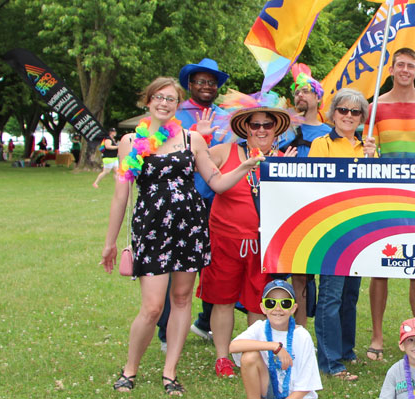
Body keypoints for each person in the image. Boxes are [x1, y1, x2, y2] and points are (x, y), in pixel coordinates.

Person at [100, 77, 262, 395]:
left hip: (189, 228)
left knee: (182, 299)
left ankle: (170, 372)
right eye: (158, 97)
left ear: (178, 104)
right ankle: (130, 368)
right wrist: (110, 242)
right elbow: (121, 195)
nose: (164, 103)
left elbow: (215, 182)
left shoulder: (191, 140)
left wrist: (246, 166)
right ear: (147, 101)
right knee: (152, 307)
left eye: (171, 99)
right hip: (152, 230)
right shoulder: (133, 143)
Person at [200, 90, 297, 377]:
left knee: (258, 300)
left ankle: (252, 355)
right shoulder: (225, 152)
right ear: (245, 128)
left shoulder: (282, 158)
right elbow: (194, 160)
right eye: (255, 125)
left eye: (268, 125)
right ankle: (222, 357)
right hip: (225, 239)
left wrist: (290, 173)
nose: (262, 130)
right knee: (223, 299)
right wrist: (203, 137)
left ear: (276, 129)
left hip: (263, 244)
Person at [362, 47, 415, 361]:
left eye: (411, 65)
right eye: (400, 65)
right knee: (377, 267)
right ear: (391, 68)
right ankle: (378, 336)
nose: (405, 70)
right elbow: (364, 153)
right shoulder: (374, 108)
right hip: (383, 193)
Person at [156, 58, 232, 350]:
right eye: (201, 81)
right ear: (190, 85)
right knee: (175, 265)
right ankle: (166, 331)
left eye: (212, 82)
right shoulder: (176, 114)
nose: (206, 86)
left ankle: (207, 322)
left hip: (218, 200)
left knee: (216, 265)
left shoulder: (226, 116)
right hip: (182, 201)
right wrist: (204, 136)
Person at [309, 88, 376, 380]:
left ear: (362, 117)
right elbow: (318, 183)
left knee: (350, 295)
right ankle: (330, 360)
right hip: (331, 227)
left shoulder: (368, 146)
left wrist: (372, 160)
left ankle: (346, 350)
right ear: (333, 113)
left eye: (355, 112)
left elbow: (375, 189)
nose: (349, 116)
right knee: (331, 296)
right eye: (343, 110)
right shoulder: (320, 144)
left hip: (359, 229)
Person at [281, 63, 330, 328]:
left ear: (318, 98)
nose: (301, 95)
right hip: (287, 207)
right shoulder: (283, 130)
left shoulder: (327, 133)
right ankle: (298, 330)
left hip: (318, 208)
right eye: (297, 92)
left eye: (307, 91)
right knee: (297, 273)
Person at [230, 279, 323, 399]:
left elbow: (305, 387)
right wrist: (274, 346)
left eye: (285, 303)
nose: (278, 308)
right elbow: (233, 346)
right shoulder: (260, 327)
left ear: (293, 308)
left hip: (297, 396)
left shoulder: (302, 336)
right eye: (270, 303)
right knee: (249, 357)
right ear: (263, 308)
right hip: (269, 389)